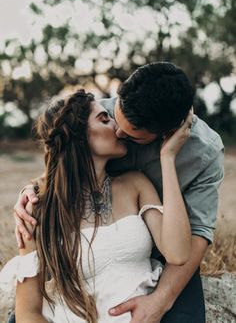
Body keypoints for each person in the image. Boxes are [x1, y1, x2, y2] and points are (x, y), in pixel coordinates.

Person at [12, 62, 224, 323]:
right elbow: (62, 154)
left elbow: (186, 245)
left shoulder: (153, 176)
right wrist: (33, 190)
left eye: (131, 133)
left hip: (159, 260)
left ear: (164, 133)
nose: (116, 128)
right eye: (108, 117)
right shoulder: (92, 110)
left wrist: (167, 158)